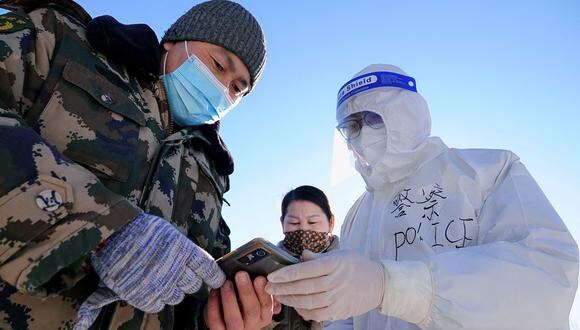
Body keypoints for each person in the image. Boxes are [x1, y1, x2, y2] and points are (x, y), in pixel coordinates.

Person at [0, 0, 273, 329]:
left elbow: (188, 294)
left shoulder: (212, 171)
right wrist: (100, 228)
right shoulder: (61, 40)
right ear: (174, 42)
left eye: (236, 89)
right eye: (217, 65)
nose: (221, 89)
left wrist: (221, 317)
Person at [266, 64, 579, 329]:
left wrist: (393, 287)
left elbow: (548, 273)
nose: (361, 136)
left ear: (407, 113)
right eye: (351, 127)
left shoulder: (487, 171)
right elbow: (352, 317)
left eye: (372, 119)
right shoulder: (357, 215)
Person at [264, 185, 339, 330]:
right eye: (294, 223)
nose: (303, 230)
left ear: (331, 223)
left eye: (312, 222)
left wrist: (317, 319)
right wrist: (272, 315)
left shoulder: (347, 268)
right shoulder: (268, 267)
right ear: (282, 223)